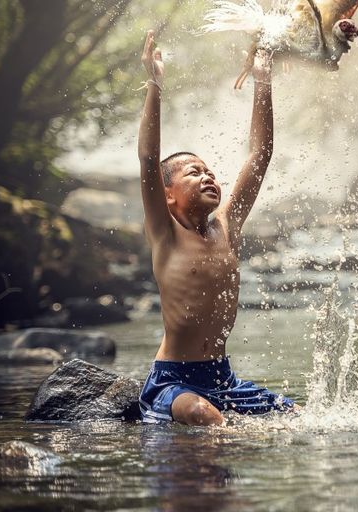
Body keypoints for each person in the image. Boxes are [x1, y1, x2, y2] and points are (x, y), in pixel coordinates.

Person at [135, 30, 294, 425]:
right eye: (194, 173)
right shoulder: (165, 234)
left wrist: (262, 78)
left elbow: (261, 154)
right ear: (167, 193)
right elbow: (147, 157)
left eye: (210, 172)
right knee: (203, 415)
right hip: (173, 380)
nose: (209, 177)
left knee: (297, 417)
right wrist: (154, 84)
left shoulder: (227, 226)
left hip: (223, 377)